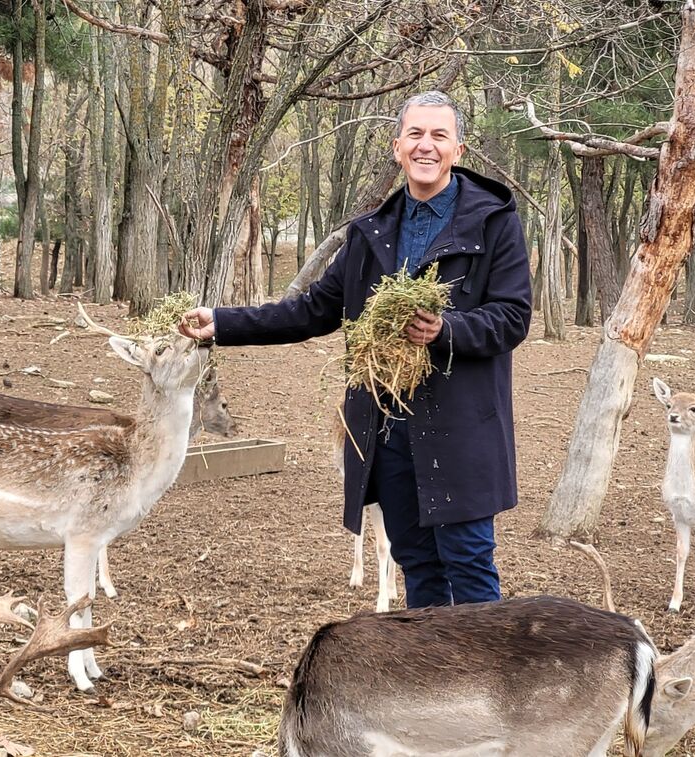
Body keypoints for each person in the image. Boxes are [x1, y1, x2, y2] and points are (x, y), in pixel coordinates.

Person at [180, 91, 532, 608]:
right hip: (388, 428)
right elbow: (312, 309)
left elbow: (512, 316)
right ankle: (433, 679)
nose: (426, 146)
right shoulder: (373, 233)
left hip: (461, 430)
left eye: (439, 135)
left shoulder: (493, 222)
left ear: (458, 148)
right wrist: (224, 322)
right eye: (415, 135)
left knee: (469, 564)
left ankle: (490, 685)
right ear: (397, 147)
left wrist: (445, 330)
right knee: (417, 564)